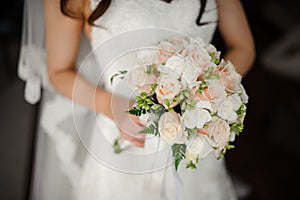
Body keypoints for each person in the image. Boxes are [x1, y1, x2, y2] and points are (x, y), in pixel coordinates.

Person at [20, 0, 255, 199]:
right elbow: (59, 72)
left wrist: (205, 92)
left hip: (195, 137)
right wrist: (112, 107)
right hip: (125, 139)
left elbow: (243, 46)